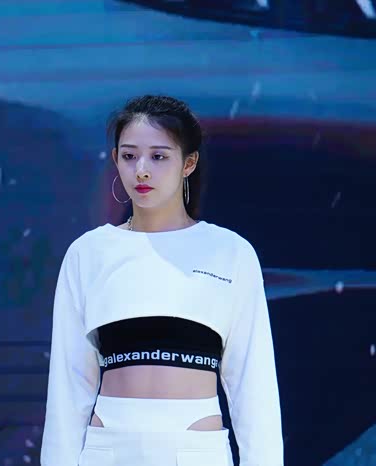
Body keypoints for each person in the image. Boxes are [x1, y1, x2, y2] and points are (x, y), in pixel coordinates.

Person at [40, 95, 283, 466]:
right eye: (129, 156)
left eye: (158, 156)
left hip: (196, 453)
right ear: (115, 159)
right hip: (109, 452)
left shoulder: (231, 252)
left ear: (189, 163)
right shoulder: (88, 253)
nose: (141, 170)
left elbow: (253, 386)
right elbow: (69, 386)